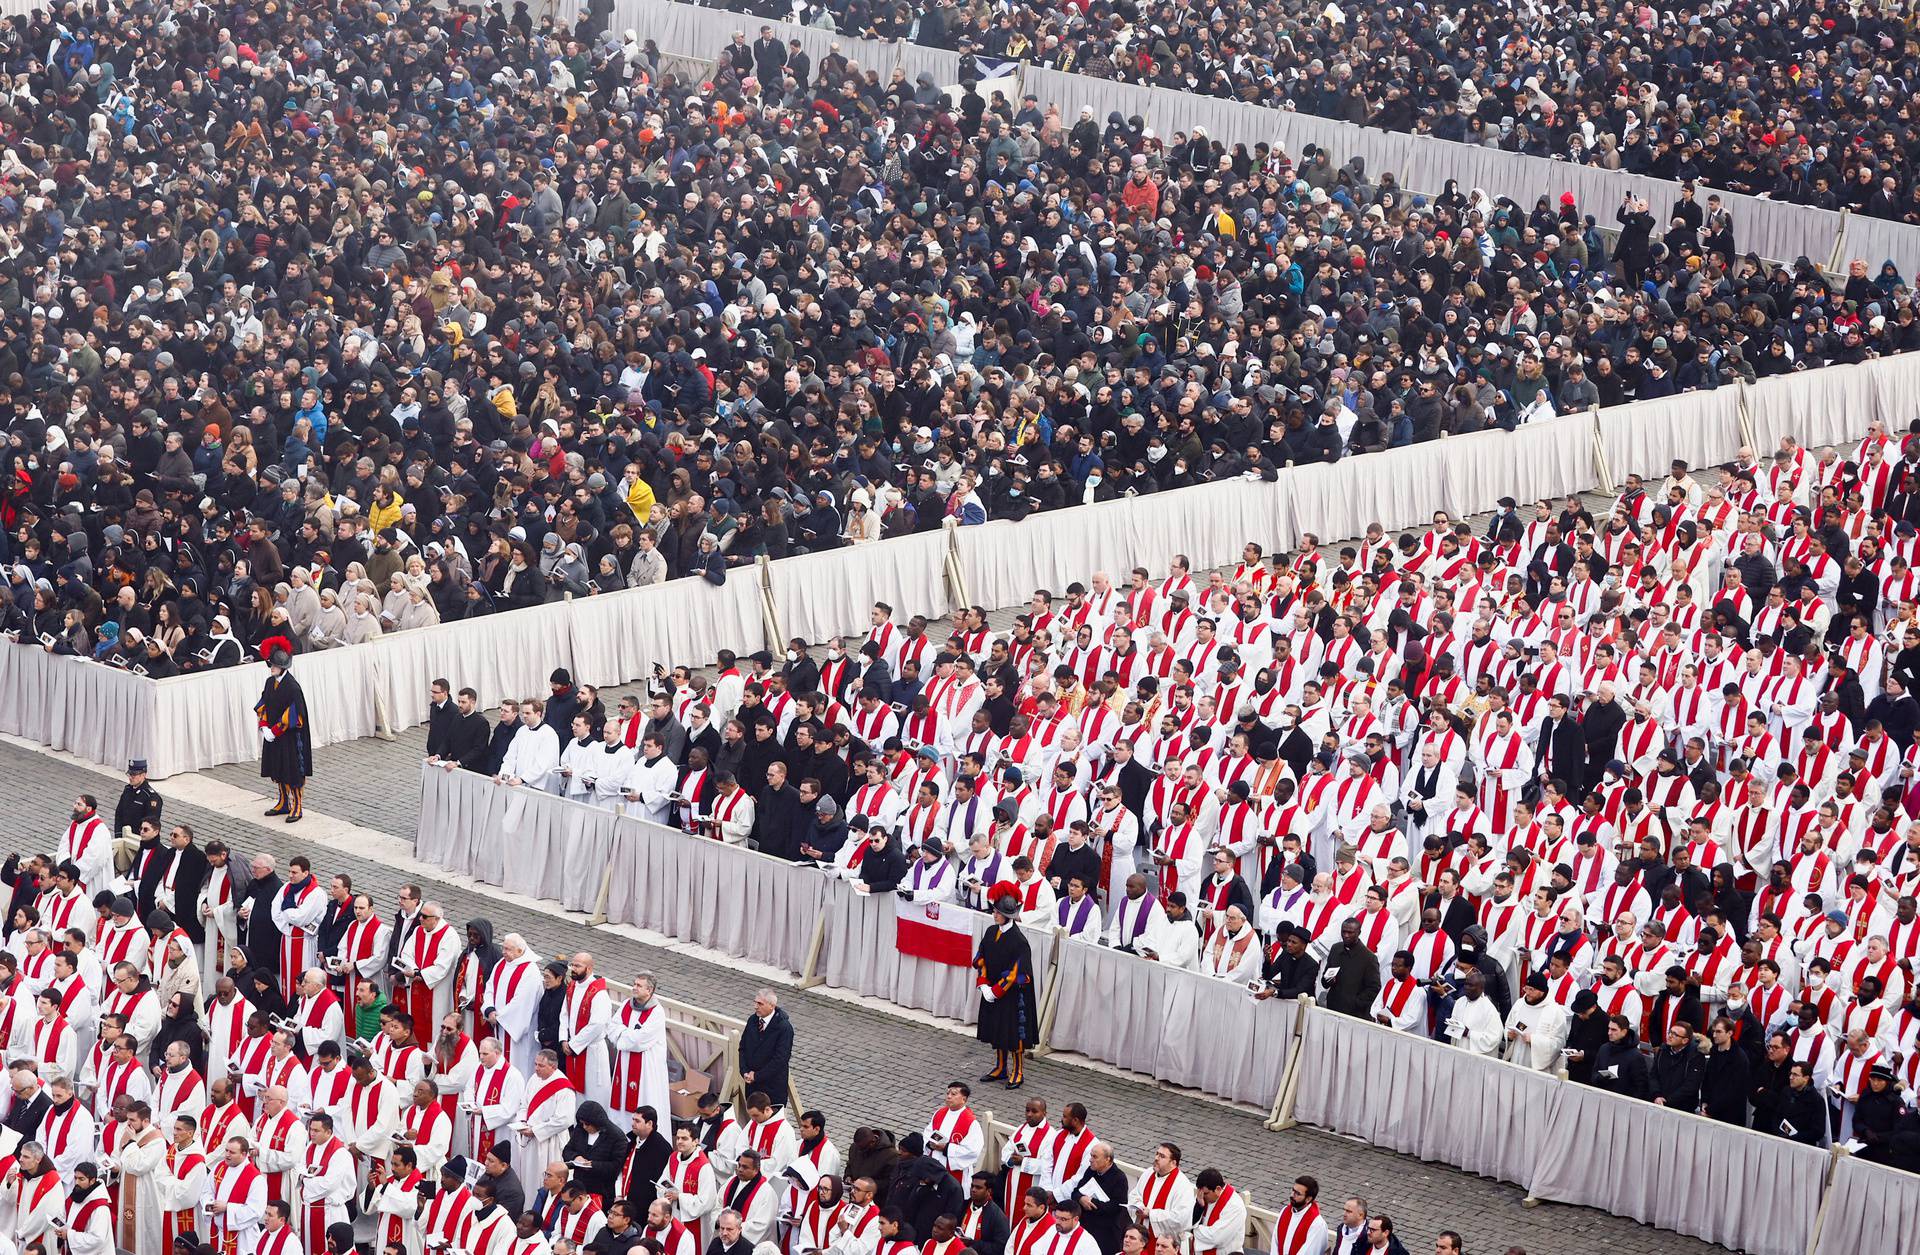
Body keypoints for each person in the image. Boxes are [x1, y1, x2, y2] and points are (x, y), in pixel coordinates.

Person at [972, 890, 1039, 1088]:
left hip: (1012, 996)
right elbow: (981, 957)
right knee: (996, 1029)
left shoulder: (1019, 941)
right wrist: (983, 984)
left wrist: (995, 991)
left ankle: (1018, 1071)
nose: (994, 915)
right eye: (994, 911)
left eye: (998, 912)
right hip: (991, 989)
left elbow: (1017, 972)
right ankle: (1001, 1067)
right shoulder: (991, 932)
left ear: (1007, 915)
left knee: (1013, 1034)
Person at [255, 650, 315, 823]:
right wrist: (264, 726)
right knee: (278, 768)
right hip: (274, 736)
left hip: (290, 738)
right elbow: (263, 705)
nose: (272, 668)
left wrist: (274, 730)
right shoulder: (269, 683)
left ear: (283, 668)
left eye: (276, 666)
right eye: (272, 665)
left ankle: (297, 805)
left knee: (293, 771)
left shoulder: (292, 687)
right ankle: (283, 802)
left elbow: (295, 714)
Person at [737, 991, 793, 1111]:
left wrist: (757, 1076)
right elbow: (743, 1048)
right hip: (753, 1087)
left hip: (772, 1089)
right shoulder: (752, 1020)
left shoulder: (784, 1028)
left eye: (760, 1003)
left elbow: (780, 1059)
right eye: (755, 1002)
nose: (755, 1006)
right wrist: (744, 1071)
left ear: (771, 1006)